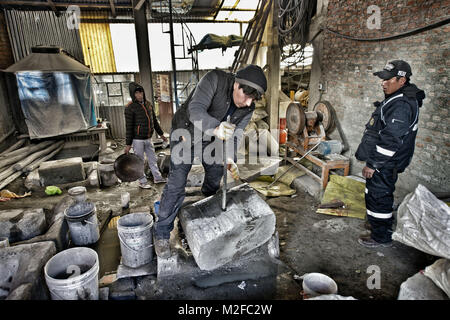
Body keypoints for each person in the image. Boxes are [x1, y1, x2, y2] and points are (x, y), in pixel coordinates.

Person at [153, 65, 267, 258]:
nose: (248, 103)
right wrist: (215, 128)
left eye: (252, 99)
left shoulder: (248, 108)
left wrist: (230, 157)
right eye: (246, 96)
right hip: (186, 133)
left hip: (212, 140)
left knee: (215, 175)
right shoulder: (214, 79)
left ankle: (205, 206)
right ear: (236, 84)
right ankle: (162, 233)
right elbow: (195, 110)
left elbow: (236, 135)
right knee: (176, 183)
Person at [355, 60, 425, 248]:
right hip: (384, 161)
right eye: (382, 79)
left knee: (379, 195)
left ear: (401, 80)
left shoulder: (402, 104)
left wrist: (373, 164)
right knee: (375, 192)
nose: (383, 83)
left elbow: (391, 140)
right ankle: (376, 223)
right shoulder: (397, 97)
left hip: (386, 162)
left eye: (388, 79)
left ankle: (380, 236)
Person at [124, 82, 168, 188]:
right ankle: (142, 182)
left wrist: (161, 134)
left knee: (153, 159)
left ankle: (157, 178)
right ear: (133, 94)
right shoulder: (130, 108)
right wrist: (128, 144)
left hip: (148, 138)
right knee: (140, 161)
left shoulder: (148, 104)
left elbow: (154, 122)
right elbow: (129, 127)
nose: (140, 95)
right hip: (137, 140)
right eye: (137, 93)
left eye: (141, 92)